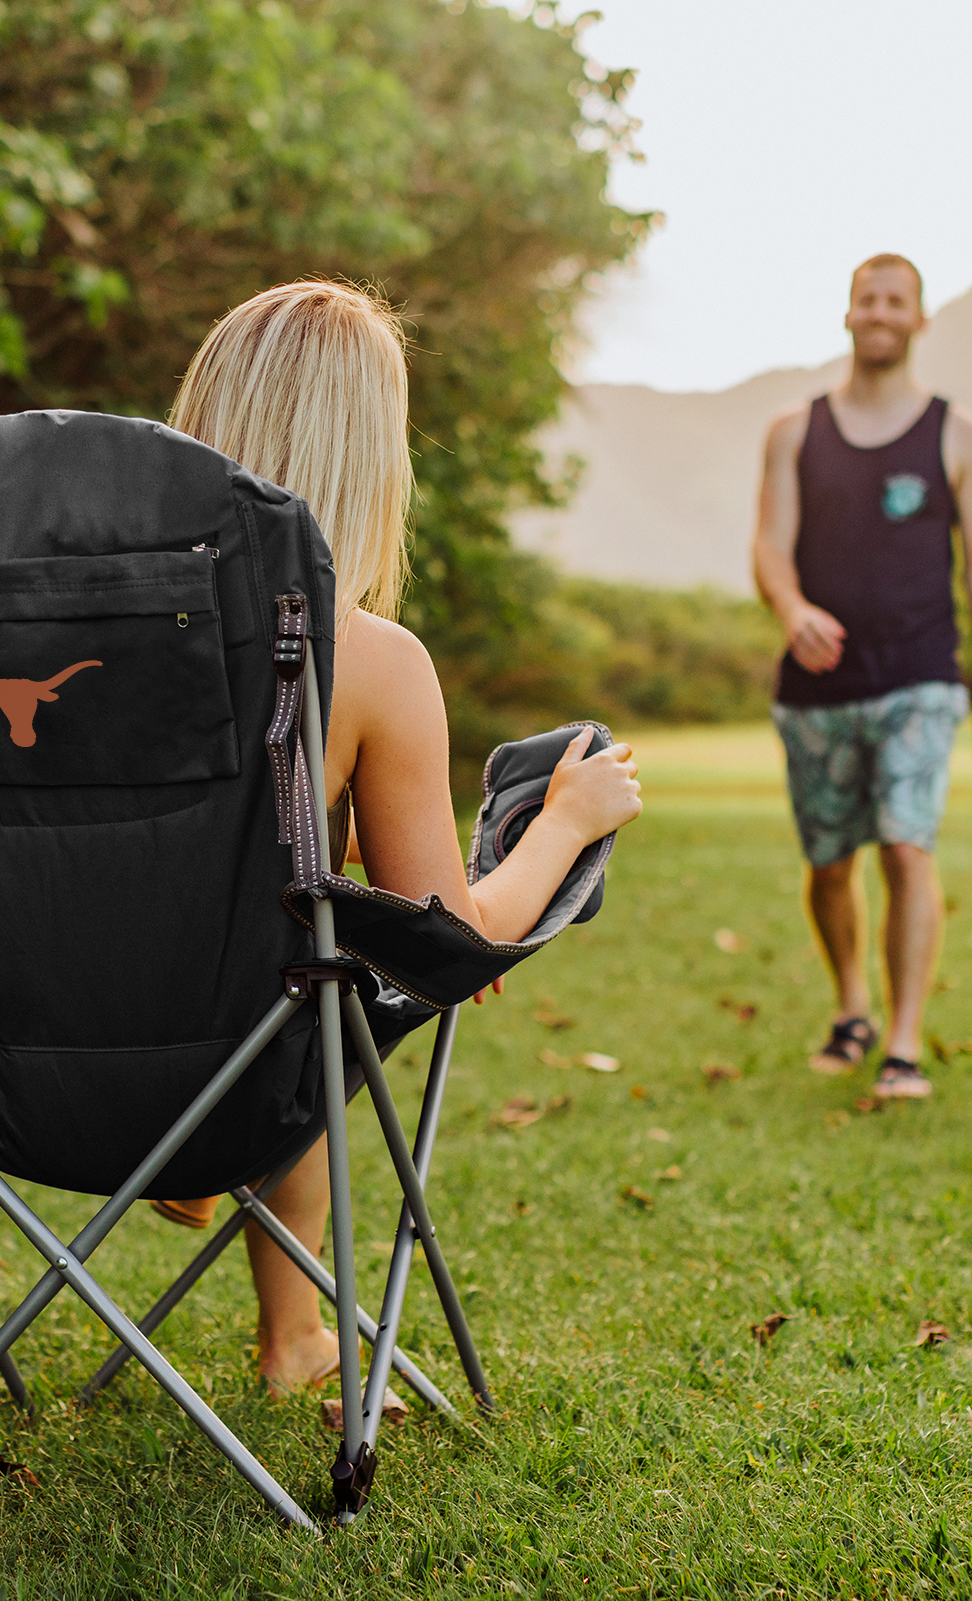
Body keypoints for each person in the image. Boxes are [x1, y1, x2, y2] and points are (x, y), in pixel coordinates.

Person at [155, 280, 646, 1395]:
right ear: (370, 457)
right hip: (228, 1065)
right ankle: (286, 1329)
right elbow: (444, 939)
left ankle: (279, 1311)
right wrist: (562, 823)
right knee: (319, 989)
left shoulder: (71, 635)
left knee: (298, 968)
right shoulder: (363, 658)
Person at [750, 254, 972, 1101]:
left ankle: (903, 1043)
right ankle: (852, 1008)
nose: (880, 311)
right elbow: (768, 545)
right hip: (817, 690)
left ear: (920, 320)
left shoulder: (957, 434)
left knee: (907, 846)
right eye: (868, 298)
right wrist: (791, 609)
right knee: (831, 864)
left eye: (896, 300)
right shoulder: (796, 430)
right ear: (847, 314)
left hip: (920, 678)